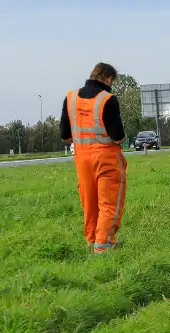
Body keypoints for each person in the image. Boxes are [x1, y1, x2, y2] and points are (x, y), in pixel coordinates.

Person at [60, 62, 127, 254]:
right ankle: (104, 245)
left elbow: (65, 135)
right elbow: (118, 135)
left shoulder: (71, 98)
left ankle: (92, 240)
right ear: (109, 79)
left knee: (89, 202)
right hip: (106, 158)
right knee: (108, 202)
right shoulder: (108, 99)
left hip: (82, 159)